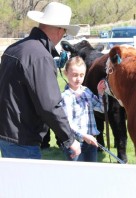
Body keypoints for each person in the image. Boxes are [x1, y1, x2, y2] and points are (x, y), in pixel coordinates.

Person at [0, 2, 81, 159]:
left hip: (7, 132)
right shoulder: (40, 56)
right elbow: (49, 106)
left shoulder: (14, 48)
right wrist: (69, 139)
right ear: (59, 31)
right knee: (26, 183)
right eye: (64, 33)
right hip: (22, 138)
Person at [61, 56, 106, 162]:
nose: (78, 79)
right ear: (66, 73)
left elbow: (101, 108)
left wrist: (100, 93)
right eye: (75, 75)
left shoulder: (87, 91)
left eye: (82, 75)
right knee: (77, 175)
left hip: (90, 141)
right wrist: (84, 136)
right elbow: (68, 123)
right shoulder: (65, 97)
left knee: (91, 174)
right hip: (75, 143)